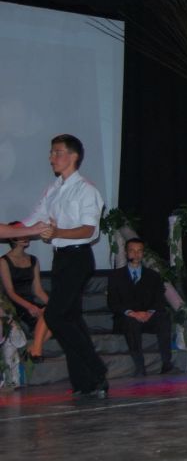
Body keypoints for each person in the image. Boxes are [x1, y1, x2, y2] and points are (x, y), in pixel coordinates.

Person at [22, 134, 108, 398]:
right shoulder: (53, 189)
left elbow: (89, 230)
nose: (52, 158)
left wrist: (58, 231)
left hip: (78, 257)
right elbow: (32, 221)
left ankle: (96, 368)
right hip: (60, 258)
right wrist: (10, 230)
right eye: (51, 153)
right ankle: (86, 382)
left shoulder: (86, 190)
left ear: (74, 156)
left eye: (57, 152)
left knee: (56, 315)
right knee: (70, 318)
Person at [107, 237, 173, 376]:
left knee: (163, 318)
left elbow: (159, 300)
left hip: (148, 316)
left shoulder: (153, 276)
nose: (136, 254)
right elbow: (113, 303)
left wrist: (149, 312)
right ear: (126, 253)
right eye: (132, 251)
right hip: (127, 318)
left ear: (143, 253)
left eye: (139, 251)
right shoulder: (115, 276)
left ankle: (167, 362)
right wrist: (132, 313)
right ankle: (139, 366)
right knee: (131, 322)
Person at [0, 223, 52, 362]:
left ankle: (31, 349)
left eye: (26, 234)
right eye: (22, 234)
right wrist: (29, 306)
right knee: (51, 316)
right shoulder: (3, 261)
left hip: (31, 301)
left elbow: (38, 290)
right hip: (15, 304)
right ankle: (33, 350)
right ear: (13, 237)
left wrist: (54, 304)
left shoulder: (33, 259)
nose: (26, 237)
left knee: (56, 313)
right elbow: (10, 292)